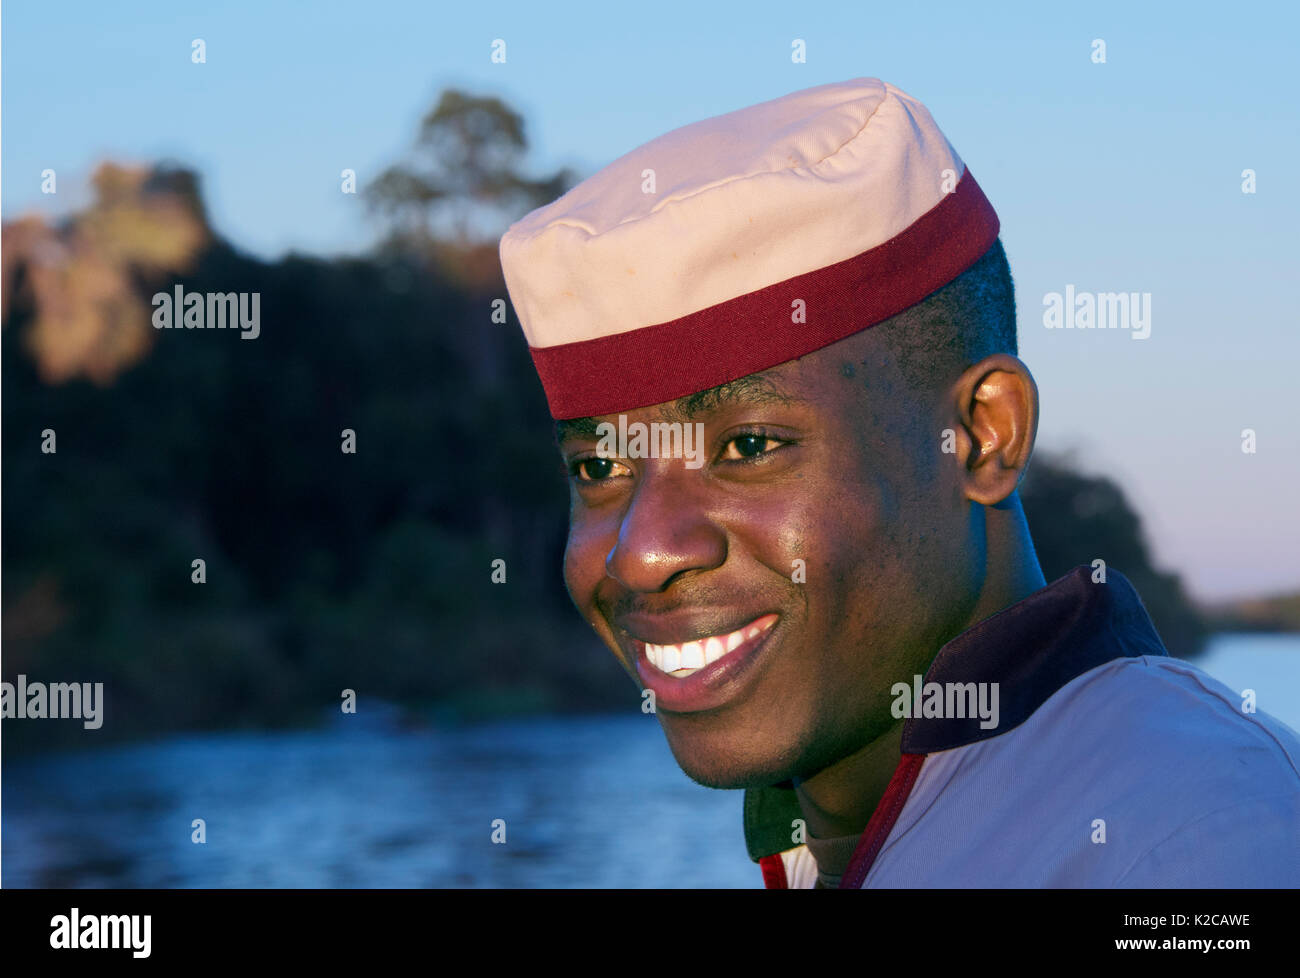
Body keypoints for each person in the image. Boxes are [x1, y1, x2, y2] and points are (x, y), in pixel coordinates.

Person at [498, 77, 1300, 887]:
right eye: (600, 467)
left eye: (747, 446)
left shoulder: (1198, 846)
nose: (641, 554)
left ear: (985, 437)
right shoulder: (841, 831)